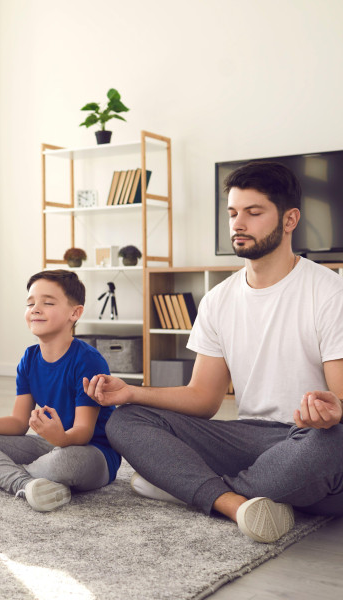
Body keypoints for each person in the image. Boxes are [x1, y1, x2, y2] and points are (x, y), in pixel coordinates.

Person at [84, 161, 343, 543]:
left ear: (290, 220)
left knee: (333, 443)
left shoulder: (328, 291)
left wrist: (329, 409)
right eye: (233, 213)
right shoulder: (218, 299)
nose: (238, 223)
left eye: (254, 213)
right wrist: (132, 392)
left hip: (310, 440)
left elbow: (339, 403)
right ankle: (234, 503)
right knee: (125, 420)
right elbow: (204, 398)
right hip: (249, 439)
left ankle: (189, 486)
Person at [0, 269, 121, 512]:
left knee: (65, 463)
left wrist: (61, 439)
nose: (35, 309)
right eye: (30, 303)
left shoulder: (88, 361)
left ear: (75, 312)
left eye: (47, 303)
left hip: (92, 453)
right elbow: (19, 423)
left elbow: (83, 431)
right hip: (48, 443)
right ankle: (26, 484)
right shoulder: (29, 358)